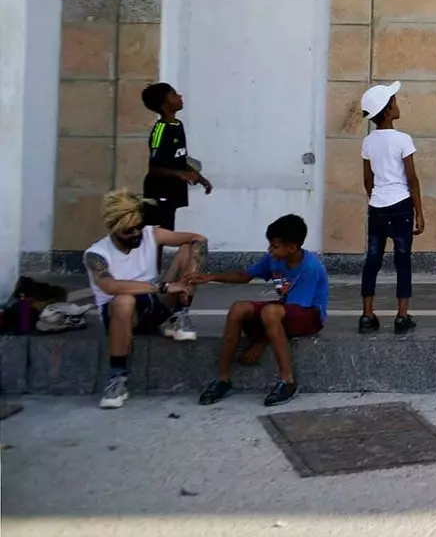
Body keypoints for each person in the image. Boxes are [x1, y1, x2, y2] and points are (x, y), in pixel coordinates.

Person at [84, 189, 209, 409]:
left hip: (156, 304)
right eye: (128, 231)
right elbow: (111, 286)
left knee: (190, 249)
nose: (136, 234)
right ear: (113, 228)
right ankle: (117, 380)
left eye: (139, 227)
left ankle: (179, 315)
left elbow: (199, 239)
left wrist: (191, 277)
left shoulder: (151, 234)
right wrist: (164, 286)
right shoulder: (96, 254)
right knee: (124, 300)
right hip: (123, 317)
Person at [189, 214, 328, 408]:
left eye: (275, 246)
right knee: (238, 308)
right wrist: (211, 276)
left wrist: (259, 344)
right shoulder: (274, 260)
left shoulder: (311, 268)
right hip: (283, 311)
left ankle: (287, 381)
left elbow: (292, 310)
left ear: (292, 248)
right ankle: (223, 379)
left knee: (270, 312)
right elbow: (245, 275)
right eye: (270, 245)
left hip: (309, 315)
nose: (270, 250)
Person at [358, 81, 424, 334]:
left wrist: (376, 197)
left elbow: (367, 179)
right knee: (402, 258)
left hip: (377, 206)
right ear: (387, 111)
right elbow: (412, 178)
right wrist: (419, 211)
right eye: (393, 101)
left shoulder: (368, 142)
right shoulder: (403, 140)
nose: (397, 104)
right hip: (401, 206)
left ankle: (367, 314)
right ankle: (402, 315)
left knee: (373, 259)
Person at [139, 82, 212, 239]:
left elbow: (178, 157)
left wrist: (198, 177)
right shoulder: (160, 130)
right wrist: (180, 173)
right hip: (159, 191)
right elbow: (154, 168)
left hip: (173, 191)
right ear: (164, 105)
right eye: (173, 94)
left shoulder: (177, 125)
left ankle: (155, 264)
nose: (179, 96)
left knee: (166, 233)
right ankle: (150, 264)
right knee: (155, 236)